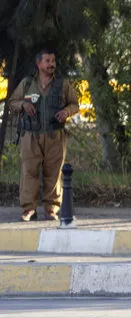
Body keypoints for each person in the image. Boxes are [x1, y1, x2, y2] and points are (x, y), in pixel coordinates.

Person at [9, 48, 79, 222]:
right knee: (29, 172)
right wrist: (24, 106)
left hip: (55, 135)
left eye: (53, 61)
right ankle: (28, 209)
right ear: (39, 63)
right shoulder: (27, 83)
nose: (51, 64)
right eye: (47, 61)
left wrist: (66, 112)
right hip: (30, 135)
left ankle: (51, 209)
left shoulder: (62, 84)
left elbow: (75, 104)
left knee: (54, 173)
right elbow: (12, 102)